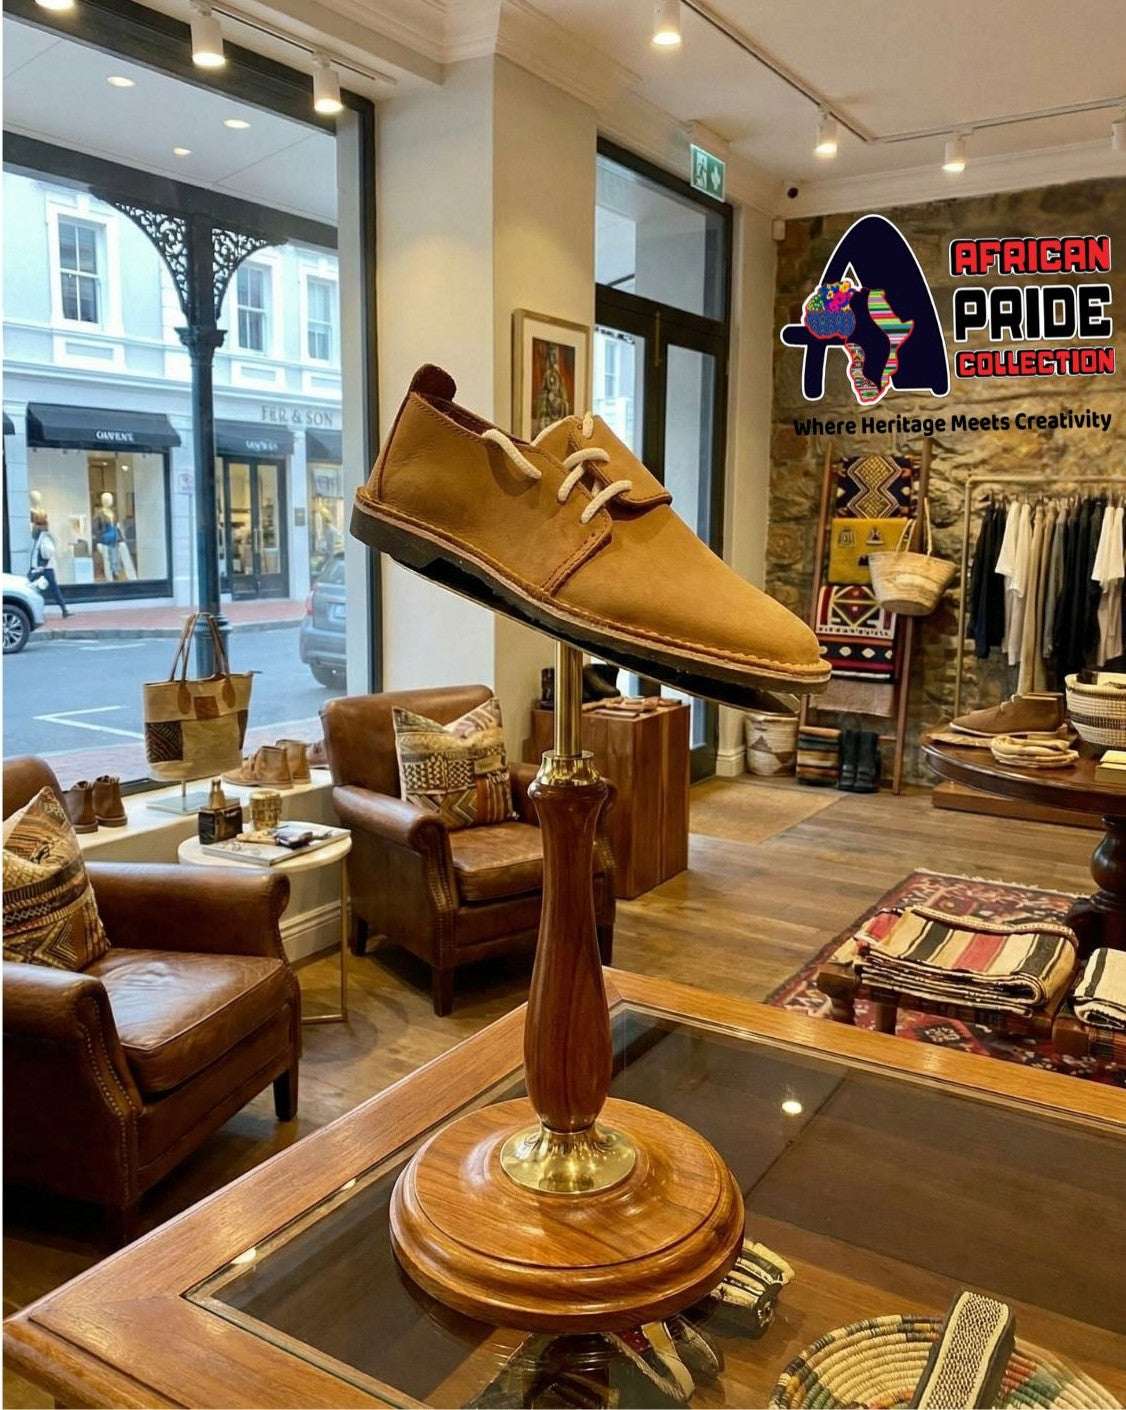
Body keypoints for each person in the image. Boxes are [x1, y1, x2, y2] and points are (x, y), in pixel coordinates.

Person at [28, 524, 71, 618]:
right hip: (41, 568)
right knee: (52, 589)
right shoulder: (41, 539)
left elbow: (47, 553)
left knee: (30, 587)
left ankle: (64, 609)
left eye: (33, 530)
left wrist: (41, 566)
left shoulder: (43, 539)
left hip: (43, 568)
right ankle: (64, 609)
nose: (32, 532)